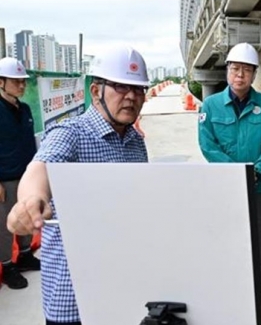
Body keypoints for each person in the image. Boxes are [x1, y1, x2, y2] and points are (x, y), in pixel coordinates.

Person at [7, 45, 150, 325]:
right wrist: (30, 201)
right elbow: (40, 168)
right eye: (120, 87)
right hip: (72, 288)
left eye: (139, 89)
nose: (132, 97)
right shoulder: (71, 134)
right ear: (96, 91)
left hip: (122, 278)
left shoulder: (135, 142)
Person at [198, 42, 261, 325]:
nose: (240, 75)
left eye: (247, 70)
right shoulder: (210, 106)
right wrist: (234, 173)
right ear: (227, 71)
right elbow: (208, 145)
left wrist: (256, 171)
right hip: (225, 190)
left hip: (259, 191)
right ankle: (231, 305)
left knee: (260, 254)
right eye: (235, 69)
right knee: (227, 249)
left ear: (254, 74)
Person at [0, 57, 39, 290]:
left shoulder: (24, 109)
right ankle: (7, 266)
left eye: (23, 82)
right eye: (16, 82)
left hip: (26, 175)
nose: (22, 86)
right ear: (1, 82)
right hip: (4, 179)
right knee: (4, 226)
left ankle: (24, 255)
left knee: (26, 216)